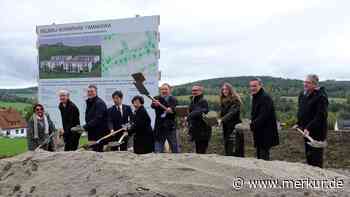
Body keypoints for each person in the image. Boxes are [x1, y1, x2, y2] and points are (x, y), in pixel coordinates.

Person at [296, 74, 328, 168]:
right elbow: (301, 110)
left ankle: (318, 179)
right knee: (309, 155)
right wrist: (298, 123)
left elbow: (321, 116)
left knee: (316, 158)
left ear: (315, 84)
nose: (305, 84)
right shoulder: (303, 94)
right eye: (304, 82)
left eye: (308, 83)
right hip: (306, 130)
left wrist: (309, 127)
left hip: (317, 132)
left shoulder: (321, 96)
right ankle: (311, 176)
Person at [249, 78, 279, 160]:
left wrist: (251, 125)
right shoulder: (256, 96)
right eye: (251, 86)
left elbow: (263, 116)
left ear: (260, 85)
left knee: (263, 157)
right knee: (260, 155)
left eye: (255, 86)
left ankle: (264, 171)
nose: (252, 88)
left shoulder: (265, 97)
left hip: (266, 133)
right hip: (259, 131)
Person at [151, 83, 179, 153]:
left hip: (170, 127)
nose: (164, 91)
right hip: (159, 127)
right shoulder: (156, 98)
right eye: (162, 89)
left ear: (170, 90)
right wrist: (156, 104)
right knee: (157, 148)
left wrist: (171, 109)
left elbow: (174, 109)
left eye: (166, 89)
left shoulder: (173, 99)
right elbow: (152, 105)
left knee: (174, 147)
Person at [219, 82, 244, 157]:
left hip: (235, 127)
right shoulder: (223, 100)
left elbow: (232, 113)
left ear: (230, 90)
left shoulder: (235, 100)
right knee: (228, 146)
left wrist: (222, 120)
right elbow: (223, 114)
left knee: (235, 147)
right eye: (223, 89)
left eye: (226, 89)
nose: (224, 91)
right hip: (226, 127)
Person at [83, 85, 108, 152]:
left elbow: (98, 119)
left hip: (99, 133)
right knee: (93, 151)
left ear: (96, 92)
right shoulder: (90, 102)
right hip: (92, 132)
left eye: (92, 91)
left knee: (97, 152)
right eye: (88, 91)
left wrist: (85, 127)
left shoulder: (99, 103)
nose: (90, 93)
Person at [187, 85, 212, 154]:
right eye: (193, 90)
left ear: (201, 91)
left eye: (196, 90)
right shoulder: (193, 100)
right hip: (196, 130)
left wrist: (191, 115)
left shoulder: (203, 101)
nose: (194, 92)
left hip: (204, 131)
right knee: (198, 151)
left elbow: (205, 110)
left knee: (201, 152)